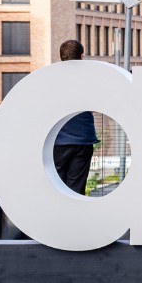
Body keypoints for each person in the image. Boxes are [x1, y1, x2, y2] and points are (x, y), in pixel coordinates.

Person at [51, 40, 97, 195]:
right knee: (76, 190)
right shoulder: (89, 78)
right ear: (81, 56)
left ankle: (57, 218)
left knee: (56, 187)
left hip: (56, 140)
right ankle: (73, 219)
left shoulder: (51, 78)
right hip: (83, 139)